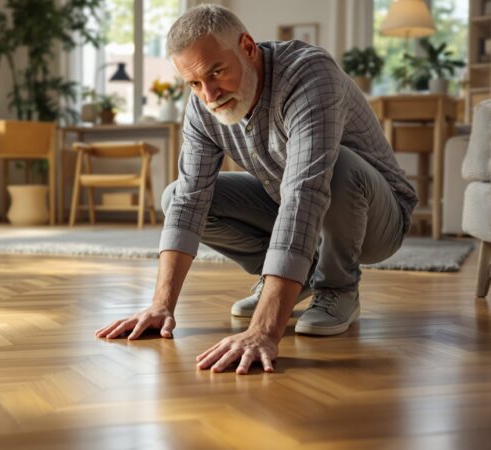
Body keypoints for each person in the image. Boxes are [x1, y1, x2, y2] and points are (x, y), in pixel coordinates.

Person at [95, 5, 417, 375]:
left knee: (337, 165)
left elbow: (305, 192)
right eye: (195, 83)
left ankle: (338, 288)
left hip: (376, 219)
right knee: (175, 197)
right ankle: (301, 276)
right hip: (295, 205)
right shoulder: (203, 106)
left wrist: (264, 329)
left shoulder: (310, 73)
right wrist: (160, 304)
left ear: (247, 47)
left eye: (217, 72)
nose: (209, 94)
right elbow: (190, 200)